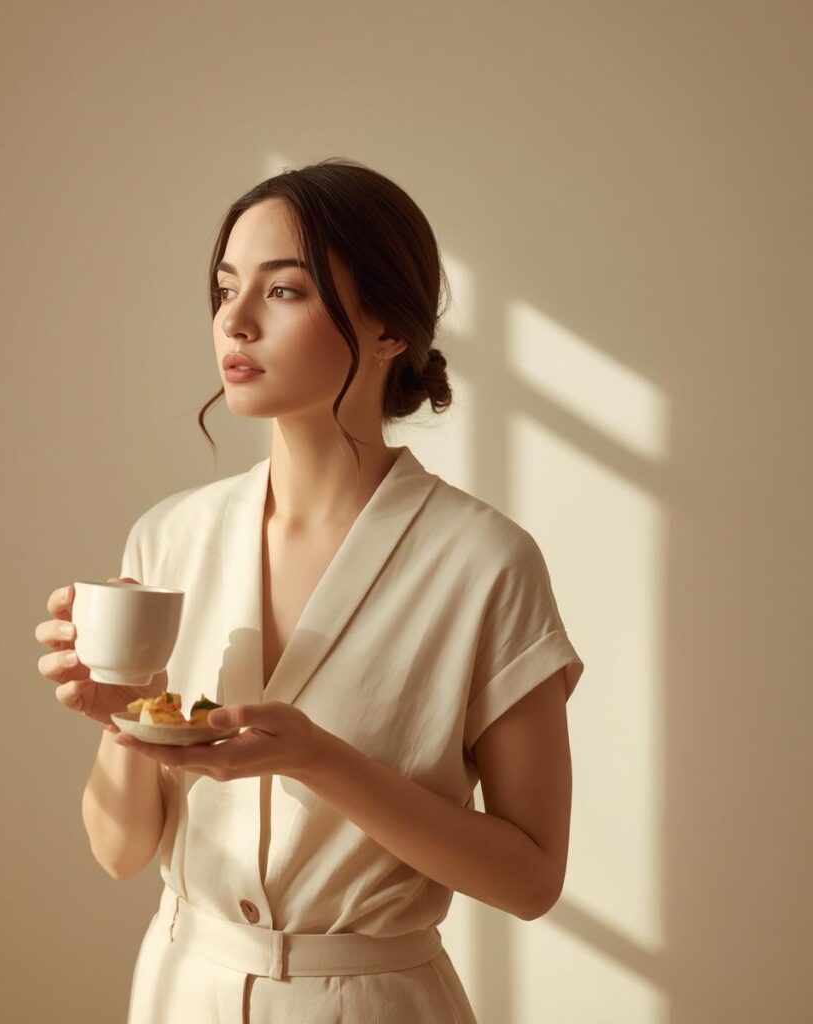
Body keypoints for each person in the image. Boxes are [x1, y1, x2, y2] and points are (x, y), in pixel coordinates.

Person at [35, 158, 584, 1023]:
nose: (236, 322)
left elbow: (530, 878)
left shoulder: (486, 565)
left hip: (374, 1000)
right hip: (184, 991)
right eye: (224, 290)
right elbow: (118, 849)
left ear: (389, 330)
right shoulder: (169, 538)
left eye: (283, 292)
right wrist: (124, 714)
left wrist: (318, 760)